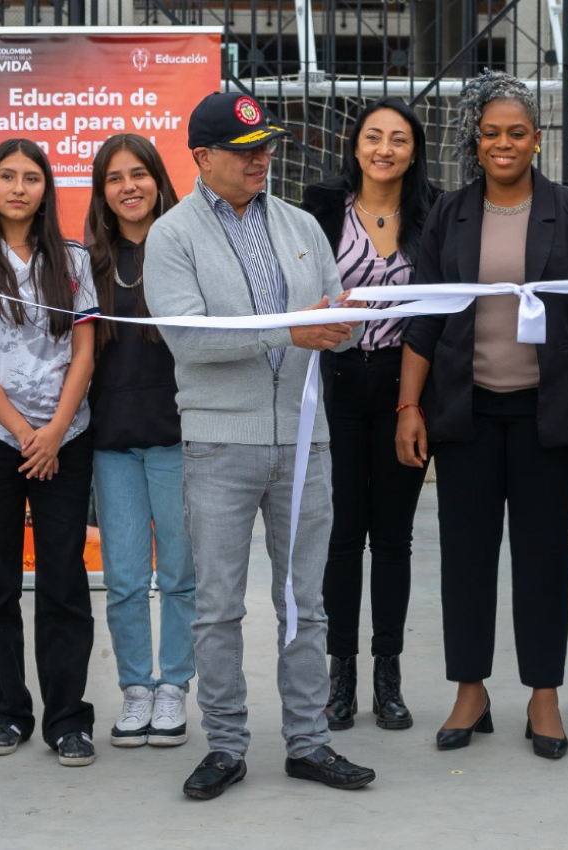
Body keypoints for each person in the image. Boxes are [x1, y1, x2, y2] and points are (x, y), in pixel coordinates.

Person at [143, 92, 375, 800]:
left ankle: (308, 743)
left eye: (266, 148)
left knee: (307, 602)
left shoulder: (301, 223)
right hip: (220, 443)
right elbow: (186, 337)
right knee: (217, 604)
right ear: (203, 158)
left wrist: (347, 324)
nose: (261, 161)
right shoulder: (171, 236)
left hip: (308, 442)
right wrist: (292, 331)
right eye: (245, 153)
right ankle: (226, 745)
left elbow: (338, 321)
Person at [397, 71, 568, 761]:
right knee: (465, 557)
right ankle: (471, 690)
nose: (503, 144)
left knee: (545, 559)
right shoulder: (450, 213)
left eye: (517, 133)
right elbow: (424, 318)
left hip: (547, 415)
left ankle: (544, 695)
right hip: (466, 414)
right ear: (477, 140)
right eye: (491, 133)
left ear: (537, 140)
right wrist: (409, 404)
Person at [0, 138, 101, 769]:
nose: (18, 187)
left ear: (46, 189)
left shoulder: (75, 261)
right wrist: (21, 431)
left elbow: (86, 352)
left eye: (31, 177)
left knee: (64, 581)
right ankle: (9, 710)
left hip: (65, 437)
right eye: (6, 177)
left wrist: (54, 430)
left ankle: (68, 719)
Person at [300, 98, 440, 733]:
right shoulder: (321, 209)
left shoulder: (433, 213)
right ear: (354, 145)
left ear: (414, 151)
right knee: (339, 535)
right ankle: (341, 674)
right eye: (374, 137)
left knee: (393, 538)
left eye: (399, 140)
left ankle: (389, 675)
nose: (385, 149)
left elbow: (441, 310)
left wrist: (414, 401)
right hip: (334, 384)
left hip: (403, 385)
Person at [83, 134, 194, 750]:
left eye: (140, 174)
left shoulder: (186, 247)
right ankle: (136, 689)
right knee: (124, 578)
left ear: (158, 179)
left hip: (178, 437)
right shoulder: (86, 261)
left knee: (180, 574)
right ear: (102, 191)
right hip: (112, 443)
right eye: (114, 178)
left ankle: (174, 685)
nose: (129, 186)